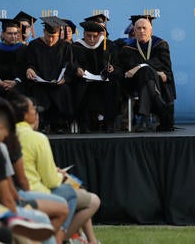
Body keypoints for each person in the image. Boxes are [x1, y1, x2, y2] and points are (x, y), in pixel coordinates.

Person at [14, 93, 100, 244]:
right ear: (26, 115)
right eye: (34, 110)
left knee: (76, 190)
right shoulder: (37, 138)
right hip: (34, 193)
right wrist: (61, 176)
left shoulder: (5, 134)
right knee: (83, 196)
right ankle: (62, 237)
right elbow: (51, 181)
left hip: (18, 192)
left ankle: (83, 239)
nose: (37, 114)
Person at [120, 15, 176, 132]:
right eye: (138, 28)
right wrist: (151, 69)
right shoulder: (128, 48)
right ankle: (159, 105)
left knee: (146, 73)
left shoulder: (160, 45)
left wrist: (141, 66)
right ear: (134, 31)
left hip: (159, 82)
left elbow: (165, 69)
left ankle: (144, 118)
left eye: (144, 28)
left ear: (151, 30)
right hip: (134, 83)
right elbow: (129, 68)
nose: (141, 31)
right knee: (146, 73)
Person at [25, 16, 74, 134]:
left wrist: (65, 78)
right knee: (38, 90)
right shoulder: (34, 45)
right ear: (44, 32)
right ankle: (41, 123)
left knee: (63, 90)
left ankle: (60, 124)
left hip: (58, 82)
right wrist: (29, 69)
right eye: (48, 36)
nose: (51, 40)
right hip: (40, 81)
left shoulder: (65, 46)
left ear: (59, 34)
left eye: (54, 37)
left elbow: (70, 65)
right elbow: (29, 63)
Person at [72, 20, 121, 133]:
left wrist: (113, 69)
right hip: (84, 80)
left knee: (113, 84)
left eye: (95, 36)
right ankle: (83, 123)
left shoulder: (109, 45)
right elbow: (71, 64)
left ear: (100, 35)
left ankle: (109, 122)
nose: (92, 39)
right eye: (88, 36)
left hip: (104, 80)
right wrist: (76, 69)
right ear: (84, 34)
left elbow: (118, 67)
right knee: (79, 86)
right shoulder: (76, 46)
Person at [0, 19, 27, 96]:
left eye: (15, 33)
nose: (13, 36)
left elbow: (25, 68)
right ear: (3, 34)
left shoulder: (24, 49)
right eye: (9, 33)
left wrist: (16, 81)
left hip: (18, 84)